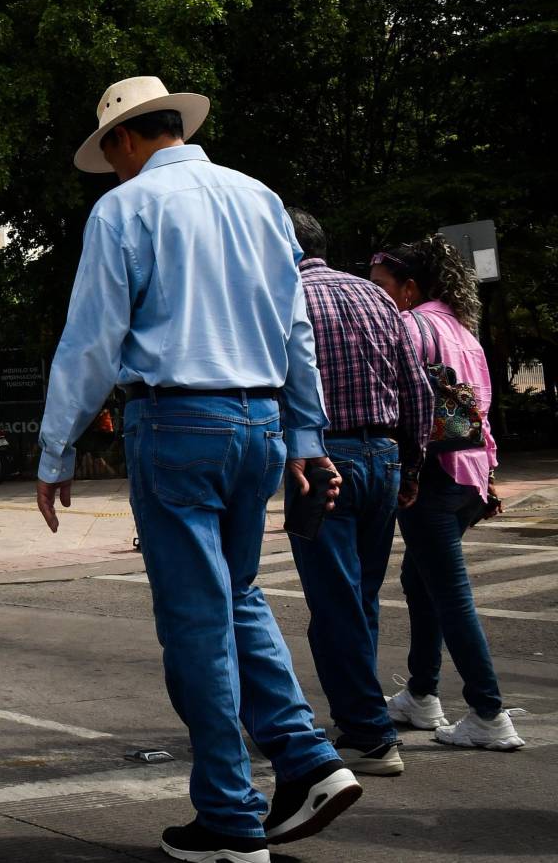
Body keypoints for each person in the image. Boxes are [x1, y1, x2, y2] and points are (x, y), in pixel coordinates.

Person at [36, 77, 358, 862]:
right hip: (261, 421)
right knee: (236, 597)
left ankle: (228, 814)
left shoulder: (126, 208)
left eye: (108, 154)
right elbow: (295, 328)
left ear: (125, 141)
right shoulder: (259, 199)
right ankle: (306, 757)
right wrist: (306, 436)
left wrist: (56, 446)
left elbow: (92, 338)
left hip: (177, 421)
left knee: (196, 623)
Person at [286, 208, 432, 776]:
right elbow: (414, 385)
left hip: (323, 463)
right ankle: (359, 718)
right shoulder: (374, 296)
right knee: (359, 598)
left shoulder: (282, 297)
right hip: (384, 458)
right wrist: (413, 463)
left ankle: (369, 733)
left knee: (334, 603)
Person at [370, 236, 524, 752]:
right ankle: (421, 694)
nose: (377, 296)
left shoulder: (410, 327)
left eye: (382, 287)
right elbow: (479, 411)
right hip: (470, 478)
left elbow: (405, 407)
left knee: (450, 594)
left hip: (433, 478)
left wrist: (406, 472)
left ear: (409, 289)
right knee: (420, 580)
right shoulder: (463, 331)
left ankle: (489, 713)